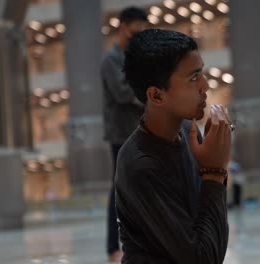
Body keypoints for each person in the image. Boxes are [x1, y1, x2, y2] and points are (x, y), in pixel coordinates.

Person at [115, 29, 231, 263]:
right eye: (193, 77)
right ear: (156, 96)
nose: (205, 85)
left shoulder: (187, 131)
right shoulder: (141, 165)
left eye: (202, 73)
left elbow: (211, 236)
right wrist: (215, 172)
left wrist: (214, 165)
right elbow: (202, 259)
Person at [100, 7, 148, 262]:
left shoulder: (135, 57)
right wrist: (145, 93)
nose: (136, 37)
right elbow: (122, 93)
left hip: (138, 130)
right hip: (120, 134)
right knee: (119, 190)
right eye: (133, 32)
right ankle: (112, 248)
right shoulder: (111, 61)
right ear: (122, 28)